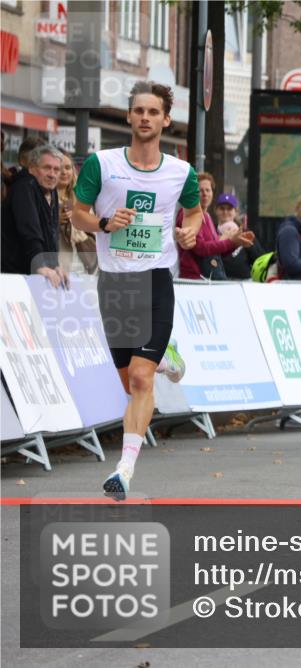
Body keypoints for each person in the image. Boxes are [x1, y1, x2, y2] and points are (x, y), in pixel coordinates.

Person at [70, 81, 202, 500]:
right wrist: (106, 223)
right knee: (130, 382)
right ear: (129, 117)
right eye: (138, 110)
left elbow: (196, 213)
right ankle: (166, 359)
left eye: (153, 112)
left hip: (155, 279)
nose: (145, 117)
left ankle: (124, 470)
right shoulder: (102, 164)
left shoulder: (181, 171)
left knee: (141, 379)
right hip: (114, 282)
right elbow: (77, 215)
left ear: (166, 120)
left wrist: (189, 233)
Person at [1, 143, 67, 287]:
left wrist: (55, 265)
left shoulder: (51, 190)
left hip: (31, 274)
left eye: (56, 170)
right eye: (46, 168)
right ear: (32, 169)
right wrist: (40, 265)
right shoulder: (25, 186)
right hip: (13, 275)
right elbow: (29, 231)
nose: (52, 174)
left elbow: (52, 234)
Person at [176, 174, 254, 280]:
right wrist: (231, 241)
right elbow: (200, 248)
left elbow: (215, 253)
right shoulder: (187, 214)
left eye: (208, 190)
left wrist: (236, 242)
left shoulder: (207, 217)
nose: (205, 194)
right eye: (200, 190)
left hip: (208, 278)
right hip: (194, 279)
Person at [56, 150, 98, 275]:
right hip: (57, 264)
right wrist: (55, 220)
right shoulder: (44, 197)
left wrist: (79, 220)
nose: (64, 172)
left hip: (82, 263)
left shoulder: (82, 198)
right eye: (59, 168)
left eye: (68, 167)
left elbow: (94, 230)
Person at [215, 193, 264, 280]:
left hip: (244, 282)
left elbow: (259, 258)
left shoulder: (245, 233)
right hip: (217, 282)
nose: (225, 212)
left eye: (229, 209)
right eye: (222, 208)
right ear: (216, 210)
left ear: (236, 212)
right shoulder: (211, 232)